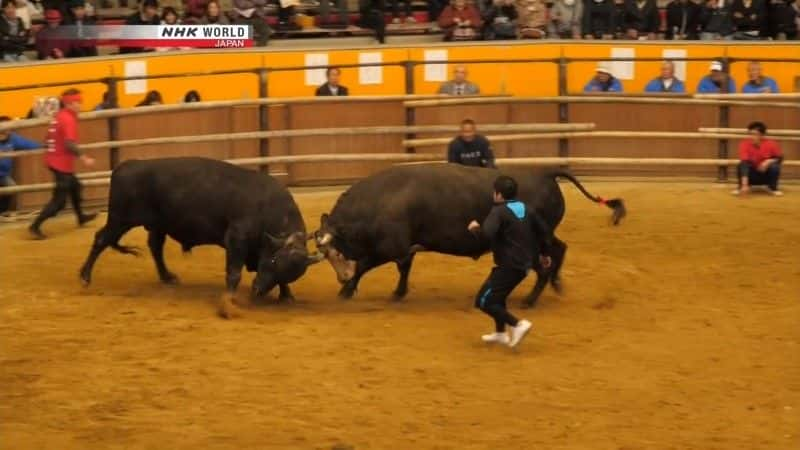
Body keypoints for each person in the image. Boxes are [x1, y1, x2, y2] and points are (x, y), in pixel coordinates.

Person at [467, 175, 551, 348]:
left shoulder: (498, 211)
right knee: (499, 297)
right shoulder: (527, 208)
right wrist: (544, 254)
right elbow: (544, 232)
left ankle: (518, 325)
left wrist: (475, 229)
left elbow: (485, 237)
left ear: (498, 195)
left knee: (484, 301)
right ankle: (500, 333)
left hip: (509, 267)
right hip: (524, 265)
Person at [29, 89, 97, 239]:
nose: (80, 105)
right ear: (68, 104)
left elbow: (47, 139)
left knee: (76, 186)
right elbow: (69, 143)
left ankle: (80, 217)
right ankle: (35, 226)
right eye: (77, 102)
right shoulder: (68, 119)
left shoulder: (59, 116)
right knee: (59, 202)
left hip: (56, 161)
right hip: (60, 163)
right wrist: (84, 158)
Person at [0, 116, 42, 214]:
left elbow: (27, 144)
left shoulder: (13, 138)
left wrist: (42, 146)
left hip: (3, 175)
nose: (8, 129)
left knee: (12, 188)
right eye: (5, 126)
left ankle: (2, 212)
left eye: (10, 126)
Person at [732, 121, 783, 196]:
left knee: (775, 166)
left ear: (762, 135)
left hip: (765, 175)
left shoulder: (771, 144)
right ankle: (742, 187)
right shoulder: (744, 144)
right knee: (740, 165)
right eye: (750, 134)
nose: (752, 137)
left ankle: (772, 188)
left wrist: (768, 161)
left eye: (755, 134)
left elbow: (780, 158)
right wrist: (744, 184)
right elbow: (744, 164)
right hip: (751, 176)